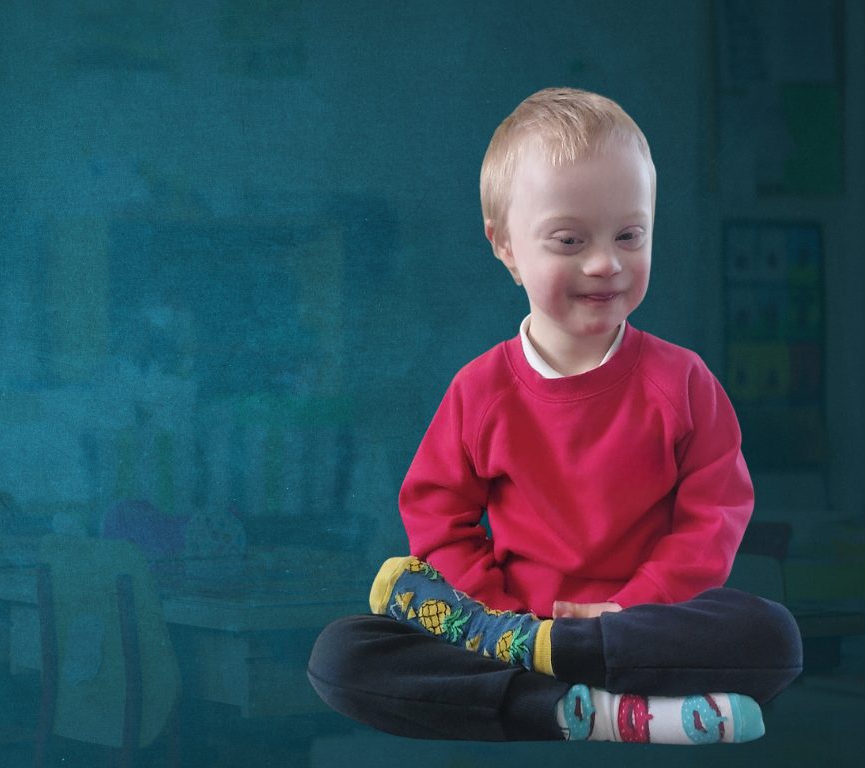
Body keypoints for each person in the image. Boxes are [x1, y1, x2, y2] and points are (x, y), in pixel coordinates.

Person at [307, 87, 802, 745]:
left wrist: (625, 612)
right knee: (342, 654)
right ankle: (610, 716)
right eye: (569, 239)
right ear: (505, 246)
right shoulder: (480, 389)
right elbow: (437, 516)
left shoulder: (683, 381)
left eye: (630, 235)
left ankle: (558, 690)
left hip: (640, 634)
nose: (605, 263)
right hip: (506, 632)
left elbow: (713, 518)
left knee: (774, 637)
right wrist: (501, 619)